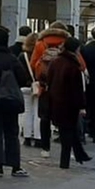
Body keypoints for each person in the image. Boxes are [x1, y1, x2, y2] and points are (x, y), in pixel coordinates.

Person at [0, 27, 32, 177]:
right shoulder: (11, 59)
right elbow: (22, 78)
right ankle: (15, 166)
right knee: (11, 132)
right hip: (9, 99)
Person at [30, 22, 77, 159]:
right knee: (65, 119)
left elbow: (34, 63)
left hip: (45, 87)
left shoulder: (40, 43)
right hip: (64, 88)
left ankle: (45, 148)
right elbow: (79, 63)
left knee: (45, 118)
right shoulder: (67, 43)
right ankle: (66, 147)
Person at [47, 37, 91, 169]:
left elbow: (50, 81)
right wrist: (81, 106)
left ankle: (80, 154)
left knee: (67, 130)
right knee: (68, 131)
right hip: (69, 104)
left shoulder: (55, 62)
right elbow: (77, 89)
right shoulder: (73, 66)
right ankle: (65, 161)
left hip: (56, 101)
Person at [18, 29, 40, 147]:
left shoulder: (22, 56)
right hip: (38, 85)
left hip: (25, 86)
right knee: (37, 112)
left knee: (27, 112)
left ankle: (26, 137)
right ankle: (37, 137)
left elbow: (18, 71)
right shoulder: (40, 55)